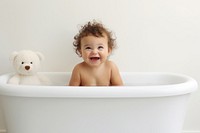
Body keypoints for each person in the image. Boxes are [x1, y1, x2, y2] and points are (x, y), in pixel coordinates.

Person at [69, 20, 123, 86]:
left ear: (108, 51)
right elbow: (71, 92)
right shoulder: (79, 69)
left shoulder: (111, 67)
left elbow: (120, 89)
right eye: (88, 48)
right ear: (80, 51)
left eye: (100, 47)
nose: (94, 52)